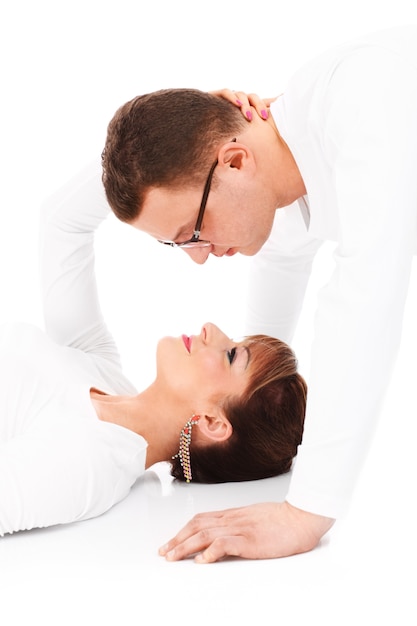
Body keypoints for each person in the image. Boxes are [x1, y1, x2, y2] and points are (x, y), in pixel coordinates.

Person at [100, 24, 417, 562]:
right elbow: (280, 274)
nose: (198, 257)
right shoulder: (281, 172)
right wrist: (249, 428)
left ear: (236, 162)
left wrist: (309, 511)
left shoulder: (366, 97)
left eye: (191, 234)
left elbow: (367, 294)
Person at [0, 162, 307, 537]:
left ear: (213, 422)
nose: (212, 328)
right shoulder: (101, 370)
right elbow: (62, 222)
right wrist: (190, 157)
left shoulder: (91, 461)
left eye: (231, 355)